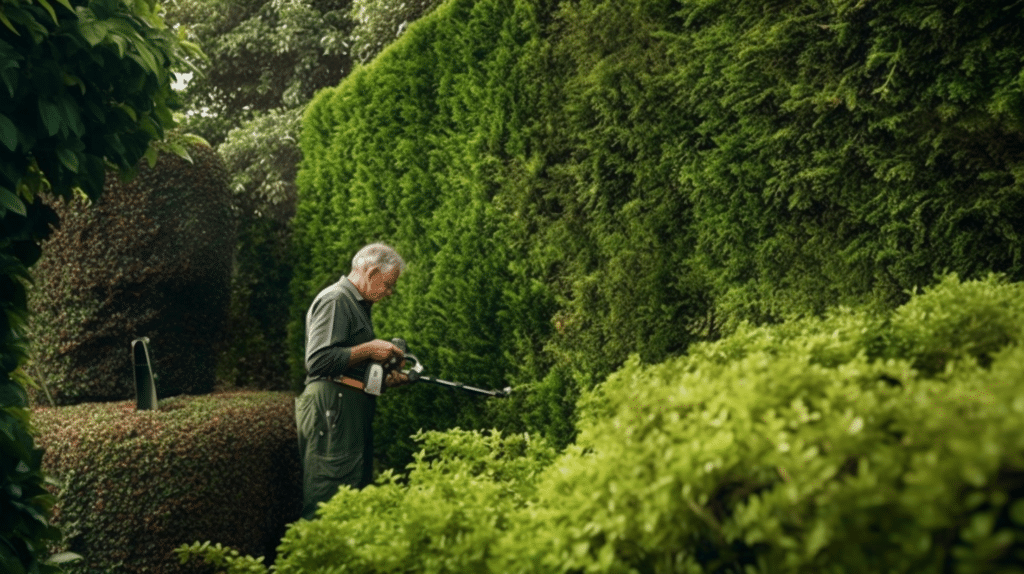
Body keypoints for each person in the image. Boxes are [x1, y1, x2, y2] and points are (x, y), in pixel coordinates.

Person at [295, 242, 410, 520]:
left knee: (352, 498)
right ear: (371, 273)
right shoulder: (336, 300)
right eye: (387, 284)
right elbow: (319, 361)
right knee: (329, 501)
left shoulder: (356, 305)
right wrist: (370, 349)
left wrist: (384, 379)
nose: (389, 292)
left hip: (346, 408)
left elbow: (348, 368)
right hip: (333, 409)